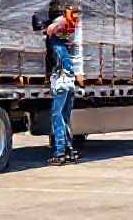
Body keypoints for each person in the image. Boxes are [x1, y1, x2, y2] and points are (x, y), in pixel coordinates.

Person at [46, 9, 79, 166]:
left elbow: (56, 65)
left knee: (57, 116)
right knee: (65, 118)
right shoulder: (66, 48)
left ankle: (60, 153)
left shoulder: (55, 47)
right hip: (70, 84)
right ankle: (70, 151)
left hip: (61, 84)